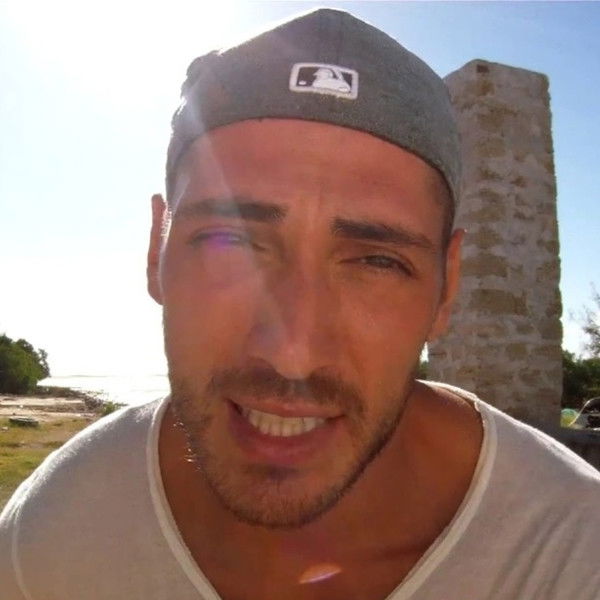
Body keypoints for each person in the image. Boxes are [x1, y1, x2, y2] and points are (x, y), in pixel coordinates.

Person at [1, 8, 599, 600]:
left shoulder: (573, 558)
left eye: (377, 261)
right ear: (158, 249)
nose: (292, 353)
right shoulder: (54, 535)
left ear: (446, 287)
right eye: (231, 242)